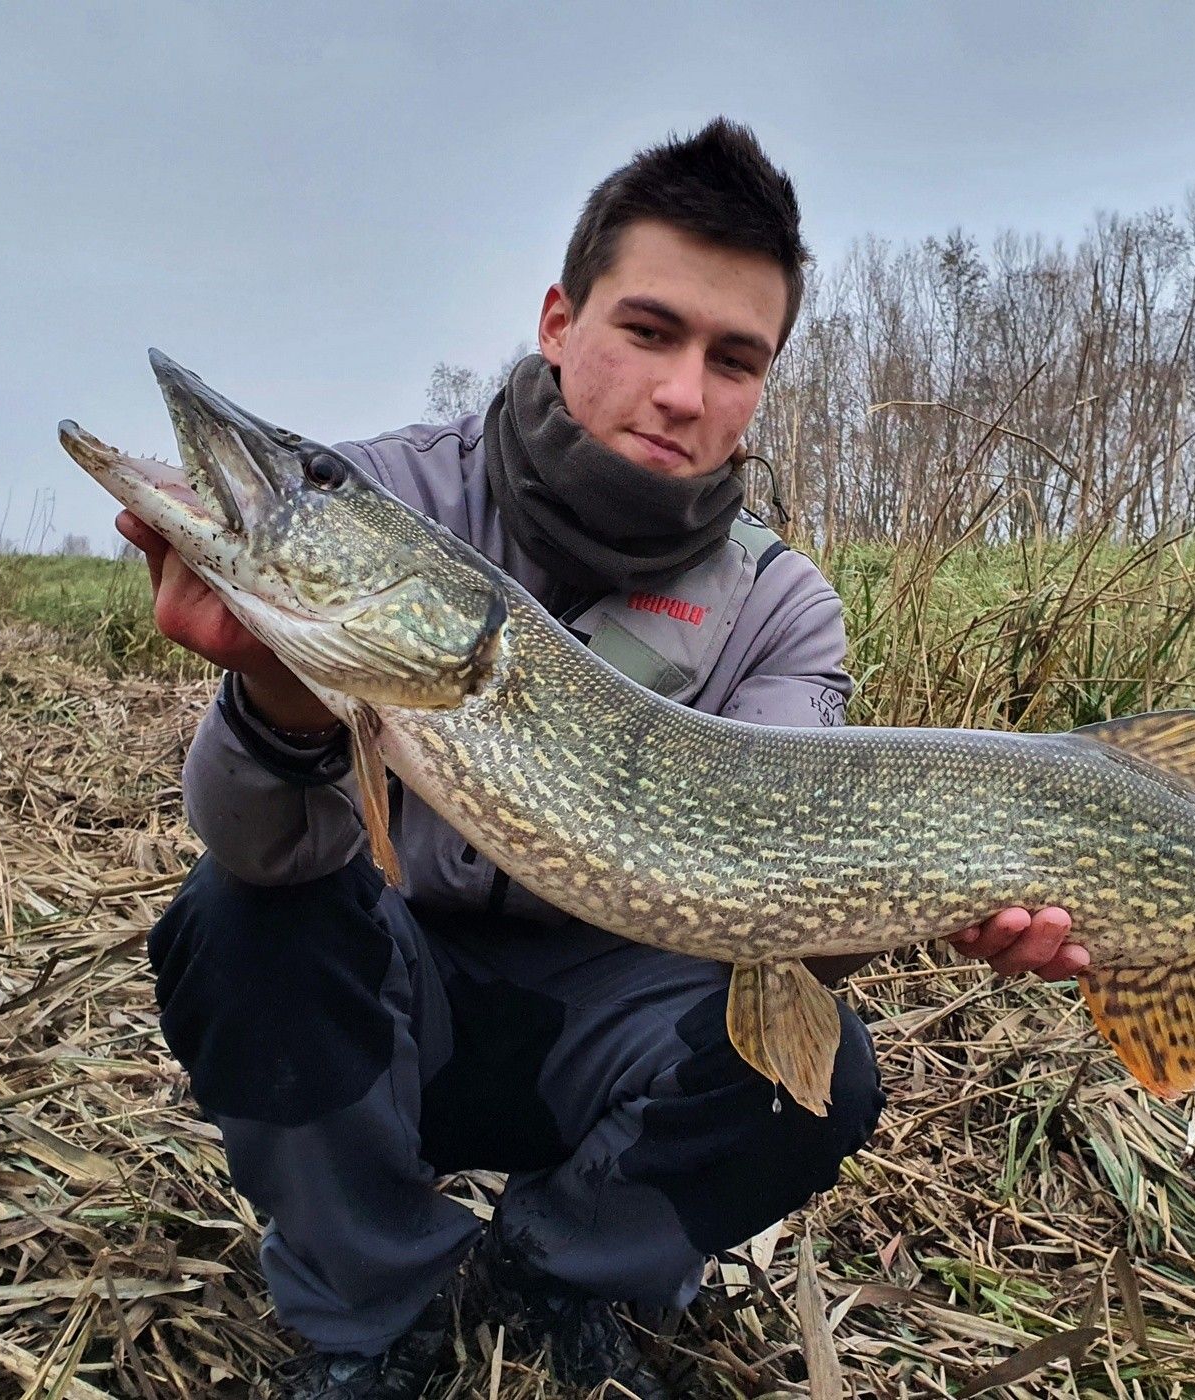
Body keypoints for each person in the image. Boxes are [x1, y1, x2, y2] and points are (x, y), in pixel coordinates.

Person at [118, 119, 1085, 1400]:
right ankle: (376, 1301)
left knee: (818, 1074)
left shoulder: (783, 608)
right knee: (239, 923)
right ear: (560, 318)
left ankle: (560, 1267)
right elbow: (257, 847)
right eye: (649, 330)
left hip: (614, 1032)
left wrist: (930, 895)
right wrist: (286, 702)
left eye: (734, 359)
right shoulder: (394, 500)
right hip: (395, 1008)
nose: (684, 392)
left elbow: (774, 896)